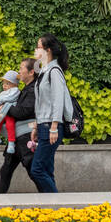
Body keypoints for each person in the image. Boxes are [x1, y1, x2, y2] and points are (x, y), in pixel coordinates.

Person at [30, 34, 73, 193]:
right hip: (44, 126)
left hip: (51, 127)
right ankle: (52, 206)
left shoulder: (54, 71)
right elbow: (41, 103)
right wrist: (36, 126)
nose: (35, 50)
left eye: (38, 47)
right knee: (47, 170)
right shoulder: (44, 71)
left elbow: (58, 100)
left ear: (47, 50)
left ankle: (57, 201)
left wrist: (54, 127)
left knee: (37, 170)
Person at [0, 58, 38, 194]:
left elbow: (23, 112)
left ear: (31, 72)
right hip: (18, 137)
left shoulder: (33, 90)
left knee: (35, 173)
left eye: (21, 68)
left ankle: (51, 198)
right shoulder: (26, 89)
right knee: (5, 170)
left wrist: (4, 108)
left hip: (26, 137)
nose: (19, 72)